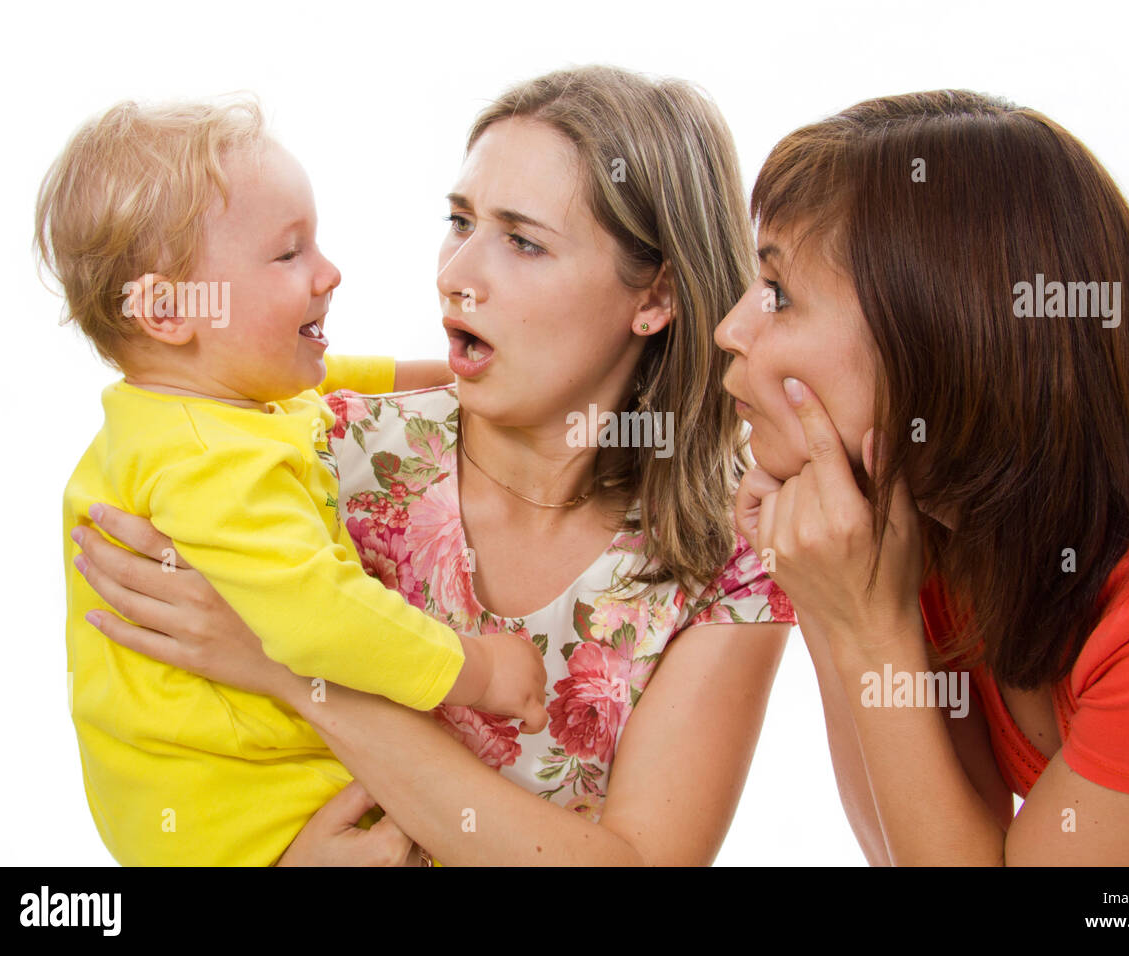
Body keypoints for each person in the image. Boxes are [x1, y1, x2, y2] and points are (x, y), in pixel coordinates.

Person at [70, 66, 795, 866]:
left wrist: (290, 674)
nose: (455, 276)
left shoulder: (733, 554)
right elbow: (162, 767)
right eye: (460, 222)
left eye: (522, 241)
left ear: (654, 296)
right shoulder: (300, 453)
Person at [720, 89, 1129, 865]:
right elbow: (919, 845)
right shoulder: (936, 528)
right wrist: (834, 601)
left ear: (942, 340)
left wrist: (867, 630)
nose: (730, 329)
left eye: (777, 295)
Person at [42, 98, 547, 866]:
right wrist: (475, 670)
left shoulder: (192, 409)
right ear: (168, 309)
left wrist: (446, 375)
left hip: (179, 804)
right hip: (247, 814)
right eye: (288, 255)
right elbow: (319, 618)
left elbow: (332, 382)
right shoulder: (213, 463)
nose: (329, 271)